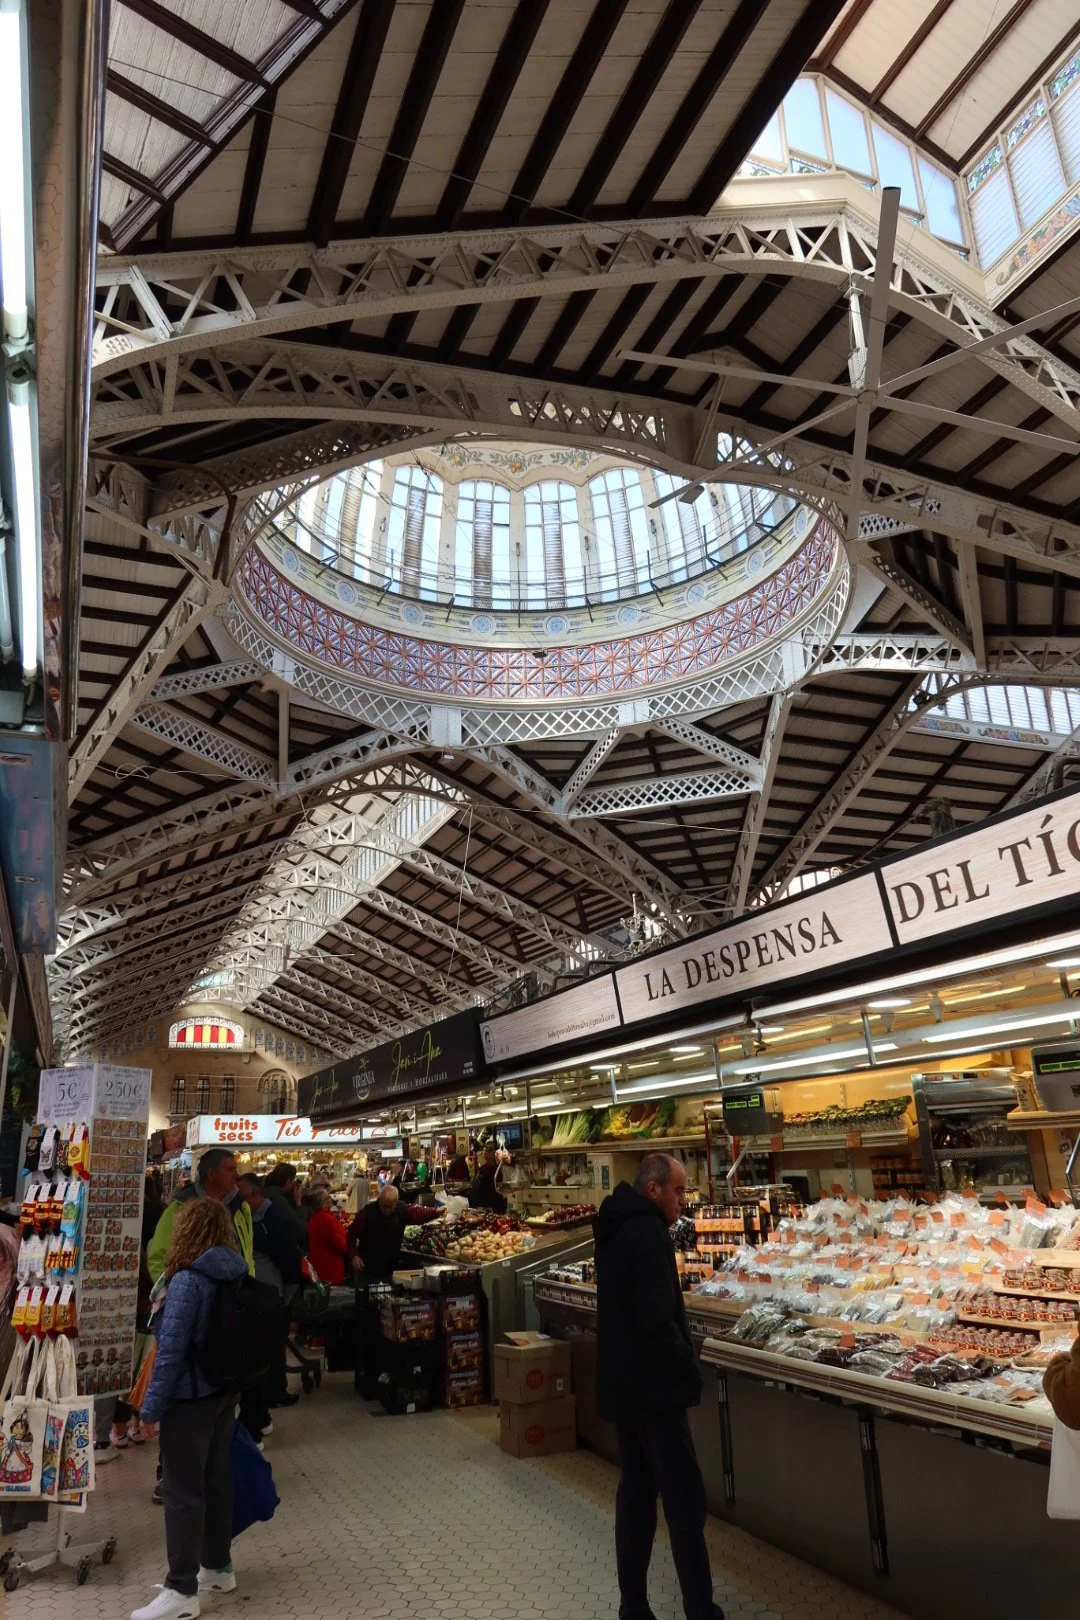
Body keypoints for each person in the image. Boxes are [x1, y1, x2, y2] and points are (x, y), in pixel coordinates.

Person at [594, 1153, 724, 1620]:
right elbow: (656, 1318)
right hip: (655, 1390)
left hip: (624, 1386)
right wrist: (688, 1365)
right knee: (684, 1504)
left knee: (635, 1497)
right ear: (654, 1190)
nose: (683, 1200)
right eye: (679, 1190)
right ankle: (699, 1609)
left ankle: (633, 1605)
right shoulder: (648, 1232)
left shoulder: (613, 1224)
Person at [132, 1198, 248, 1620]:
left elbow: (170, 1353)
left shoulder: (186, 1281)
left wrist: (150, 1408)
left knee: (182, 1493)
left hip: (189, 1399)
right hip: (224, 1393)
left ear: (186, 1231)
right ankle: (218, 1567)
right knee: (217, 1482)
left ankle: (180, 1591)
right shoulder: (235, 1271)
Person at [238, 1174, 301, 1429]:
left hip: (271, 1295)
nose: (237, 1200)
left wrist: (287, 1294)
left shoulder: (273, 1219)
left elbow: (288, 1258)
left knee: (271, 1349)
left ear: (255, 1194)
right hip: (255, 1295)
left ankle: (273, 1395)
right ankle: (267, 1399)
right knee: (262, 1350)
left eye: (242, 1196)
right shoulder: (245, 1217)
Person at [147, 1149, 254, 1284]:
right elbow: (159, 1257)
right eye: (230, 1170)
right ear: (211, 1174)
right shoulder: (180, 1208)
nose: (237, 1175)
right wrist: (172, 1292)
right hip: (195, 1298)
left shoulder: (241, 1208)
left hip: (238, 1297)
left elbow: (247, 1253)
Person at [346, 1185, 438, 1283]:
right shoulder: (367, 1212)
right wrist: (354, 1255)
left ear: (396, 1202)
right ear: (379, 1200)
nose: (388, 1210)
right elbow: (351, 1235)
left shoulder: (402, 1209)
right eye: (385, 1206)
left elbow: (419, 1213)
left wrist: (435, 1212)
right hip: (367, 1269)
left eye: (391, 1206)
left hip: (390, 1269)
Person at [306, 1187, 349, 1284]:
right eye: (328, 1197)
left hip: (319, 1262)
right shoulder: (326, 1219)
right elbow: (340, 1243)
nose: (330, 1199)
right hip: (331, 1265)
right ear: (323, 1202)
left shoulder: (316, 1217)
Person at [468, 1143, 508, 1214]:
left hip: (490, 1209)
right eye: (484, 1149)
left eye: (489, 1150)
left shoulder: (494, 1168)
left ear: (495, 1153)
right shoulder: (482, 1168)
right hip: (478, 1208)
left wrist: (482, 1162)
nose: (485, 1152)